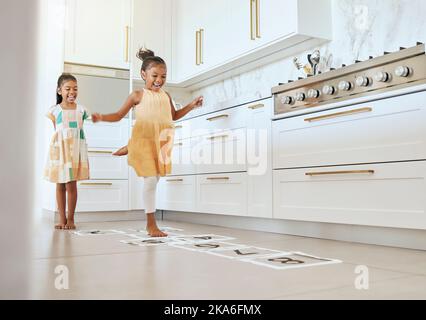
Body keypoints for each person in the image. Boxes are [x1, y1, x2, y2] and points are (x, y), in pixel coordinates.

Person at [91, 48, 203, 237]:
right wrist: (101, 116)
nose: (159, 80)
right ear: (143, 74)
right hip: (145, 137)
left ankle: (131, 147)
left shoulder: (166, 96)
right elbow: (119, 115)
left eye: (163, 76)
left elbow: (174, 116)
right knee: (150, 181)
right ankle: (151, 224)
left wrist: (191, 105)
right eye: (155, 75)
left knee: (156, 179)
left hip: (162, 141)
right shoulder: (138, 95)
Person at [44, 73, 90, 230]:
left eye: (75, 89)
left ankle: (71, 219)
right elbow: (58, 133)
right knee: (60, 185)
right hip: (60, 152)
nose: (72, 92)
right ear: (59, 91)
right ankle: (61, 219)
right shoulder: (54, 111)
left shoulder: (81, 110)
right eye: (68, 88)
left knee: (71, 185)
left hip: (75, 151)